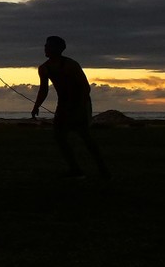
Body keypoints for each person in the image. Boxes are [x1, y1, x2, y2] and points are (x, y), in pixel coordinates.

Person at [32, 36, 110, 179]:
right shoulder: (44, 68)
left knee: (85, 137)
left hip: (80, 102)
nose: (45, 48)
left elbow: (85, 87)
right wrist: (36, 106)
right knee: (60, 137)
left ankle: (102, 169)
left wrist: (80, 107)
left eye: (49, 46)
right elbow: (44, 89)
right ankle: (75, 170)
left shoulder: (71, 64)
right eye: (45, 46)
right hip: (62, 104)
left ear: (59, 49)